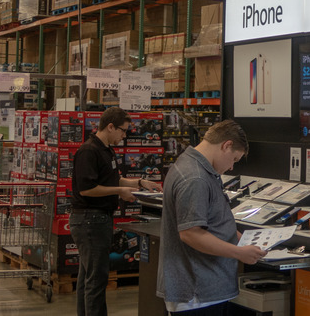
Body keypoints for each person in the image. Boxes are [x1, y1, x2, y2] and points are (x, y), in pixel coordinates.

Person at [158, 119, 267, 316]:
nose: (232, 167)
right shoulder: (196, 178)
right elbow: (191, 234)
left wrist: (238, 237)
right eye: (234, 159)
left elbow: (209, 219)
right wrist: (238, 253)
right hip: (198, 294)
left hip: (205, 290)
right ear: (227, 145)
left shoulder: (197, 169)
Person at [70, 107, 162, 316]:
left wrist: (139, 182)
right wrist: (120, 191)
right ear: (110, 126)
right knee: (96, 280)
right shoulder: (89, 151)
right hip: (89, 220)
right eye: (122, 130)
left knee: (88, 278)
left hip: (97, 219)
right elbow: (87, 189)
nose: (124, 135)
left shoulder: (105, 150)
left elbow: (112, 180)